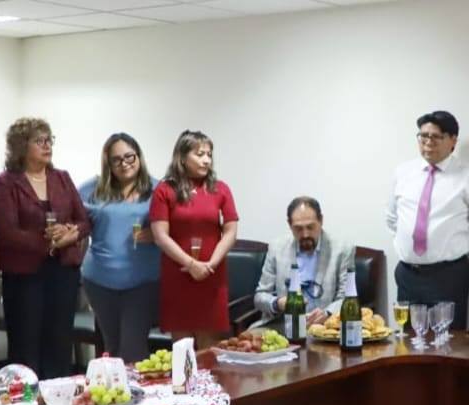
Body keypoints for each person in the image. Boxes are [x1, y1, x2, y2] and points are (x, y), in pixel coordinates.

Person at [385, 110, 469, 405]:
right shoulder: (403, 173)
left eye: (435, 137)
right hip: (409, 273)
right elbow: (392, 218)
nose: (428, 143)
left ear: (452, 141)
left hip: (448, 274)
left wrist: (450, 252)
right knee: (410, 348)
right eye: (423, 136)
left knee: (446, 348)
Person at [0, 117, 90, 380]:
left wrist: (70, 233)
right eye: (39, 141)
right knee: (26, 344)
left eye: (49, 140)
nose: (47, 146)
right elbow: (7, 231)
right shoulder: (5, 182)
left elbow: (84, 220)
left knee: (59, 342)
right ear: (21, 146)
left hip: (63, 272)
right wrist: (49, 242)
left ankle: (58, 394)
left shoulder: (62, 178)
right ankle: (27, 398)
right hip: (24, 275)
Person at [149, 130, 239, 350]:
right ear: (182, 157)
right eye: (200, 154)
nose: (206, 160)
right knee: (183, 350)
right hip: (179, 274)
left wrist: (210, 264)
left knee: (211, 350)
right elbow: (160, 236)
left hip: (211, 275)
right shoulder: (164, 190)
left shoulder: (220, 189)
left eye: (209, 154)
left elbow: (230, 231)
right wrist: (191, 264)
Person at [78, 133, 160, 363]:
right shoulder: (90, 189)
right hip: (99, 281)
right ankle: (116, 387)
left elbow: (175, 228)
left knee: (133, 349)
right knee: (112, 347)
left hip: (142, 282)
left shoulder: (158, 190)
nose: (124, 164)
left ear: (139, 157)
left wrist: (157, 234)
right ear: (108, 164)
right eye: (116, 160)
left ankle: (137, 387)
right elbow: (74, 220)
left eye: (129, 157)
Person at [253, 196, 354, 329]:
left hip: (323, 327)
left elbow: (347, 297)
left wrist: (328, 313)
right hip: (282, 324)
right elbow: (260, 296)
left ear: (321, 221)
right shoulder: (276, 248)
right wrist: (277, 303)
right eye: (298, 229)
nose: (305, 234)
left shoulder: (342, 250)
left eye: (310, 227)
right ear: (289, 225)